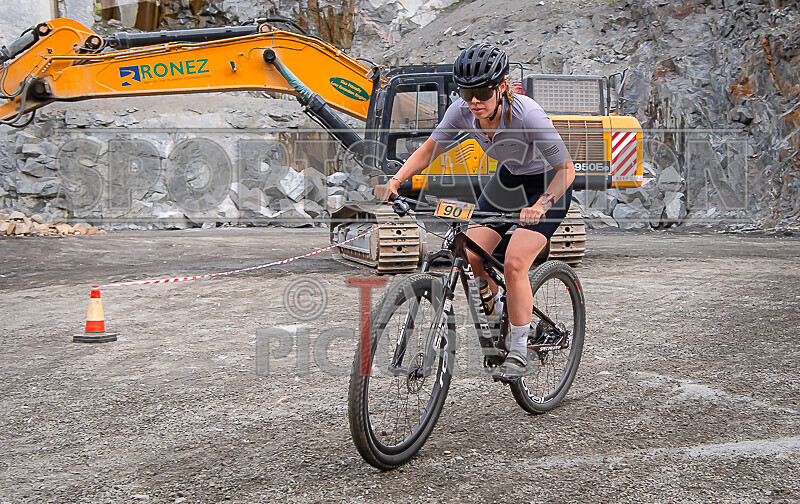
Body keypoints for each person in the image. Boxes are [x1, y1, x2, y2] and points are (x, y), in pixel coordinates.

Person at [374, 42, 575, 376]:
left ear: (502, 87)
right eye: (466, 92)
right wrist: (395, 181)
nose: (474, 101)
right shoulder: (462, 110)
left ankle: (520, 351)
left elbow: (566, 170)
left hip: (547, 184)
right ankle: (499, 311)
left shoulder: (528, 116)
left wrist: (542, 205)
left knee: (514, 262)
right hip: (510, 181)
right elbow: (429, 150)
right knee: (470, 254)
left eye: (482, 92)